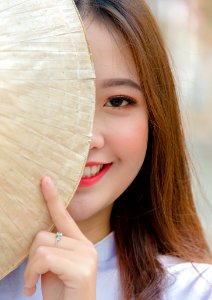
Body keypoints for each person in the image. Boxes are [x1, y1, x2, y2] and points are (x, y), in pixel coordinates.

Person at [0, 0, 211, 299]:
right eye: (59, 102)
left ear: (155, 116)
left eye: (118, 101)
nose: (88, 138)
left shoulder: (195, 291)